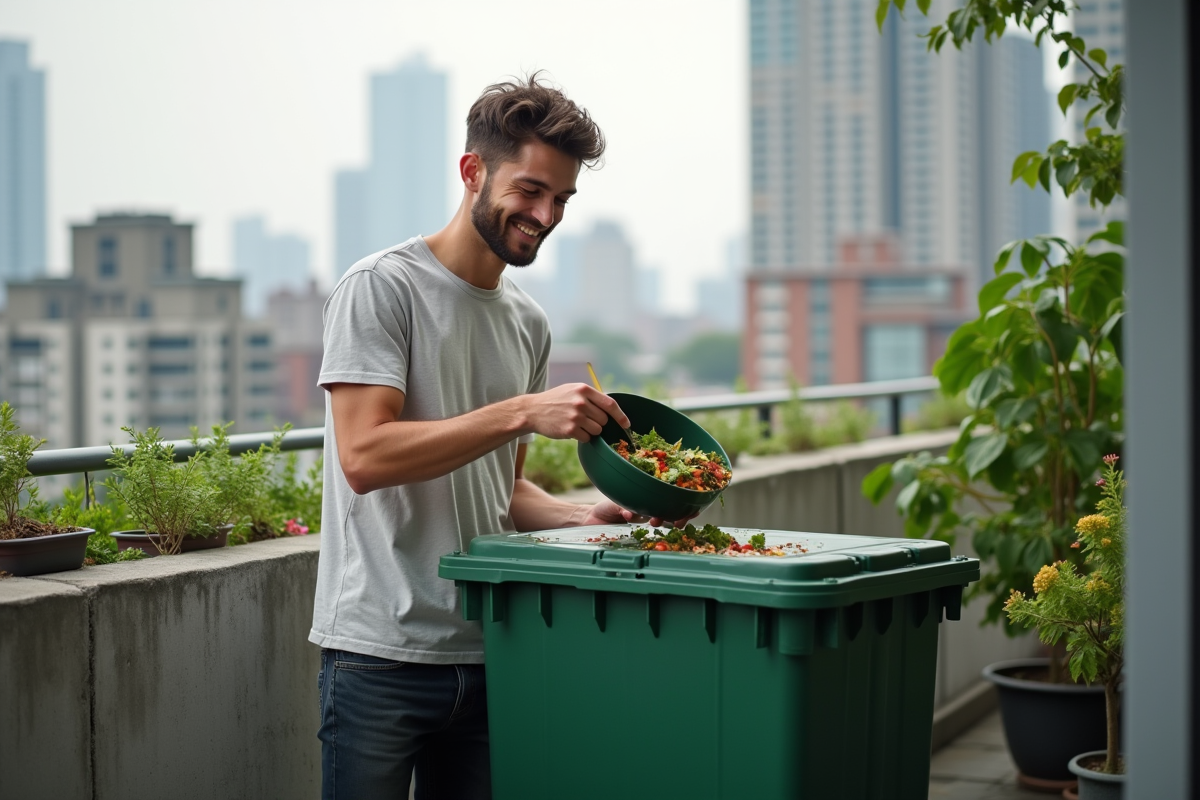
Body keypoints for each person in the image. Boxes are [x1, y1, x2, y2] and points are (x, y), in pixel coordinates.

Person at [311, 75, 669, 800]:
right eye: (531, 190)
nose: (545, 214)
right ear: (473, 171)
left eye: (562, 199)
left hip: (494, 649)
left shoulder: (528, 323)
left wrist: (581, 519)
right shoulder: (382, 288)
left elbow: (500, 490)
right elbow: (364, 456)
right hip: (379, 654)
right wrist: (521, 411)